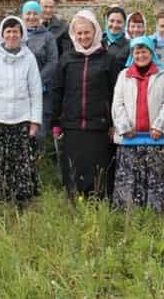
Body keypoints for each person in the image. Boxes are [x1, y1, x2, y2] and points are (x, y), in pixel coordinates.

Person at [52, 10, 121, 198]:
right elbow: (57, 91)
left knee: (98, 171)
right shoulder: (67, 59)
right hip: (72, 125)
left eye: (87, 32)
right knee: (74, 171)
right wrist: (56, 122)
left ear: (96, 32)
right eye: (79, 33)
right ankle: (75, 206)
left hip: (99, 126)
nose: (83, 37)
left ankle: (99, 206)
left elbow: (116, 94)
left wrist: (114, 123)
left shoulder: (108, 60)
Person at [0, 16, 43, 205]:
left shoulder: (29, 58)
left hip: (22, 118)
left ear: (21, 34)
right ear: (2, 34)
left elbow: (36, 91)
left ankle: (22, 198)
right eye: (8, 31)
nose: (12, 35)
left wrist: (35, 121)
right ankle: (0, 198)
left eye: (16, 31)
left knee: (21, 161)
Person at [111, 36, 164, 211]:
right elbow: (118, 103)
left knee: (154, 178)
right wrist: (124, 127)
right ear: (132, 54)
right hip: (130, 138)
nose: (141, 55)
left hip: (154, 138)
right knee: (129, 178)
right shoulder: (124, 75)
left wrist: (159, 127)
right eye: (137, 52)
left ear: (151, 53)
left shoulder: (161, 75)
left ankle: (153, 213)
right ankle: (127, 213)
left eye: (144, 51)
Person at [22, 0, 60, 134]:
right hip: (19, 92)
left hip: (42, 91)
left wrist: (37, 81)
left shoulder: (48, 36)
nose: (31, 17)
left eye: (35, 13)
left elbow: (53, 61)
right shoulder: (16, 35)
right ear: (22, 15)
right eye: (28, 13)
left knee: (38, 131)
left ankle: (39, 155)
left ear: (40, 16)